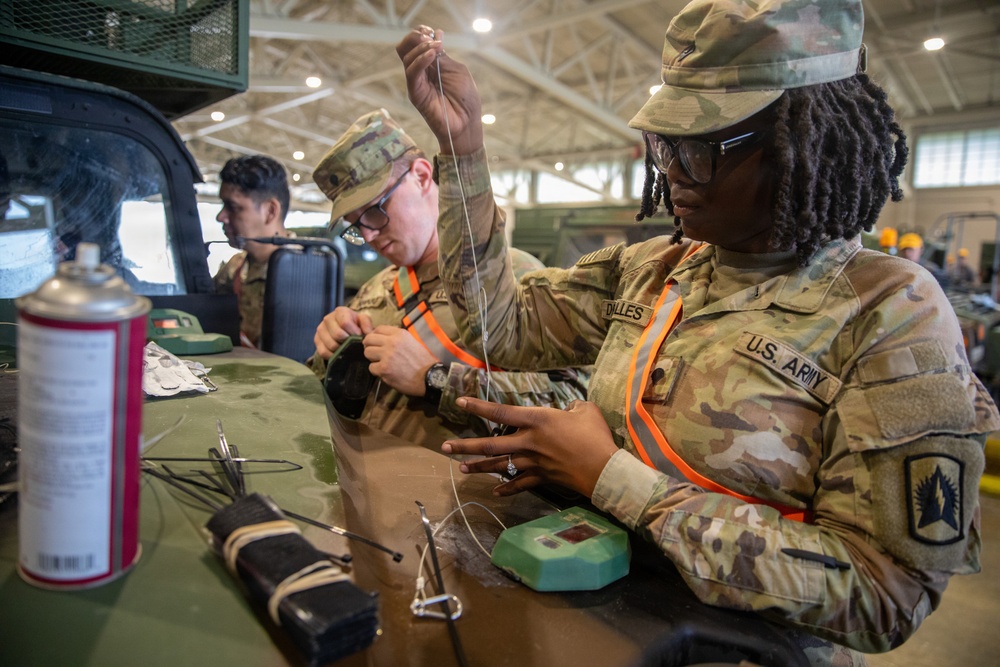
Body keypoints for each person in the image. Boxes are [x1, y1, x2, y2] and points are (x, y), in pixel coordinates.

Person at [397, 1, 1000, 664]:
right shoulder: (651, 269)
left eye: (702, 146)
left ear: (800, 142)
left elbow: (888, 590)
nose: (673, 169)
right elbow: (498, 325)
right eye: (665, 143)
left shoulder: (888, 312)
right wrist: (464, 151)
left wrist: (611, 478)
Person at [307, 109, 589, 447]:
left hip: (466, 496)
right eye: (356, 226)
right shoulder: (376, 288)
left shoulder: (510, 279)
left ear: (423, 176)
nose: (368, 234)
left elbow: (572, 405)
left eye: (374, 211)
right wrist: (329, 350)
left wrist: (435, 379)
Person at [213, 154, 292, 348]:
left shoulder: (306, 273)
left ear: (270, 211)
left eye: (233, 207)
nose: (221, 217)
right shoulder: (235, 267)